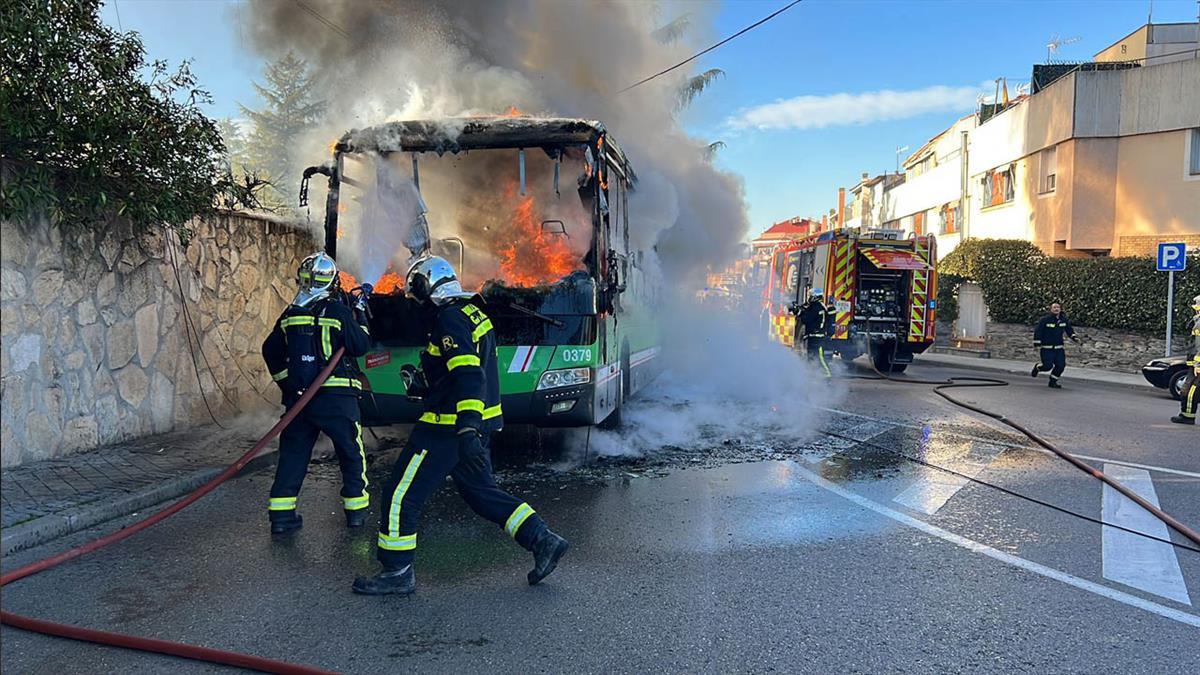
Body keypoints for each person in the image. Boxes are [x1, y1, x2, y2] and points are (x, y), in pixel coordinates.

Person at [352, 255, 568, 596]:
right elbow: (461, 368)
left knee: (400, 494)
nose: (415, 303)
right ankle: (542, 539)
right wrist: (428, 382)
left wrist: (465, 427)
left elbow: (469, 375)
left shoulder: (449, 318)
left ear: (426, 288)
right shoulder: (472, 313)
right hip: (472, 425)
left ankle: (397, 570)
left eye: (415, 294)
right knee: (481, 493)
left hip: (447, 428)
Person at [261, 252, 373, 534]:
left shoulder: (290, 314)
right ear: (332, 282)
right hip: (337, 400)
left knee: (292, 456)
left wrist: (287, 383)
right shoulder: (337, 311)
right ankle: (356, 515)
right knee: (351, 454)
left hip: (300, 402)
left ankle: (282, 519)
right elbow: (360, 345)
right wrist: (359, 315)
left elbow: (270, 350)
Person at [1030, 301, 1079, 389]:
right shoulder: (1045, 320)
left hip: (1059, 349)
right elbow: (1038, 331)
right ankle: (1037, 367)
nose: (1056, 309)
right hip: (1047, 348)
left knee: (1060, 366)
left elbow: (1069, 330)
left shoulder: (1063, 320)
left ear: (1060, 309)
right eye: (1054, 307)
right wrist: (1037, 344)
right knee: (1047, 366)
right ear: (1051, 309)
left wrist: (1074, 337)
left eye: (1058, 307)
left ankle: (1053, 382)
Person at [1170, 294, 1200, 425]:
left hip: (1197, 364)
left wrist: (1198, 364)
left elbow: (1199, 345)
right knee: (1187, 389)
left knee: (1191, 391)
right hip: (1194, 364)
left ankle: (1187, 417)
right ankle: (1186, 415)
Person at [794, 288, 833, 378]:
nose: (809, 297)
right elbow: (808, 314)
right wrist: (801, 310)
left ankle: (827, 375)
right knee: (812, 357)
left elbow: (806, 319)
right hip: (815, 337)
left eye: (811, 296)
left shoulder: (816, 307)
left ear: (815, 297)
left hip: (817, 338)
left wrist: (798, 312)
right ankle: (814, 375)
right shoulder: (818, 306)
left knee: (819, 357)